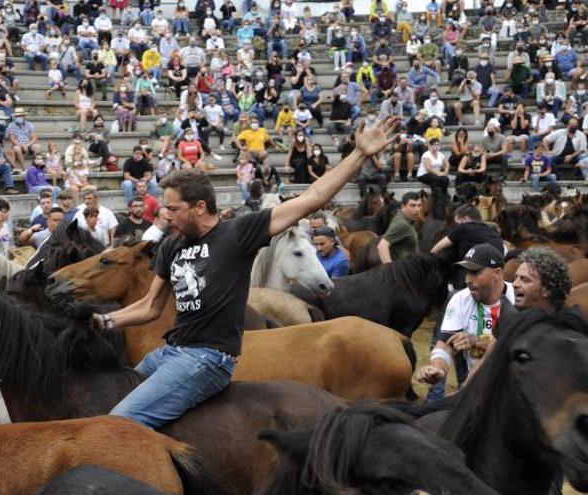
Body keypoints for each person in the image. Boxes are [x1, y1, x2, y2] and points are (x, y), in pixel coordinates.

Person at [91, 117, 399, 430]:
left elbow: (314, 197)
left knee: (120, 423)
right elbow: (150, 306)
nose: (165, 216)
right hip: (169, 352)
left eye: (173, 210)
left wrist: (359, 154)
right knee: (108, 400)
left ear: (199, 207)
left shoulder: (238, 234)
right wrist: (104, 321)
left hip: (206, 358)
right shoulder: (172, 246)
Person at [415, 244, 514, 389]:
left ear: (497, 273)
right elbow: (445, 343)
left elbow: (522, 343)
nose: (468, 279)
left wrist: (477, 340)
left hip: (513, 386)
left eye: (475, 272)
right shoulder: (460, 299)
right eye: (467, 273)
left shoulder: (518, 297)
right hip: (477, 386)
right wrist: (438, 368)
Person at [430, 204, 504, 290]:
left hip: (467, 283)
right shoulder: (494, 233)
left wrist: (427, 260)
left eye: (457, 223)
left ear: (466, 219)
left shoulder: (464, 227)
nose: (455, 227)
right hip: (495, 282)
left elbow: (438, 248)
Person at [513, 248, 573, 313]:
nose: (514, 284)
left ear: (547, 289)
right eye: (515, 278)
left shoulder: (564, 322)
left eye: (525, 280)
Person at [377, 191, 421, 264]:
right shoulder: (402, 224)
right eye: (412, 205)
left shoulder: (407, 220)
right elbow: (382, 246)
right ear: (403, 206)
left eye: (419, 205)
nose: (417, 210)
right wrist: (391, 270)